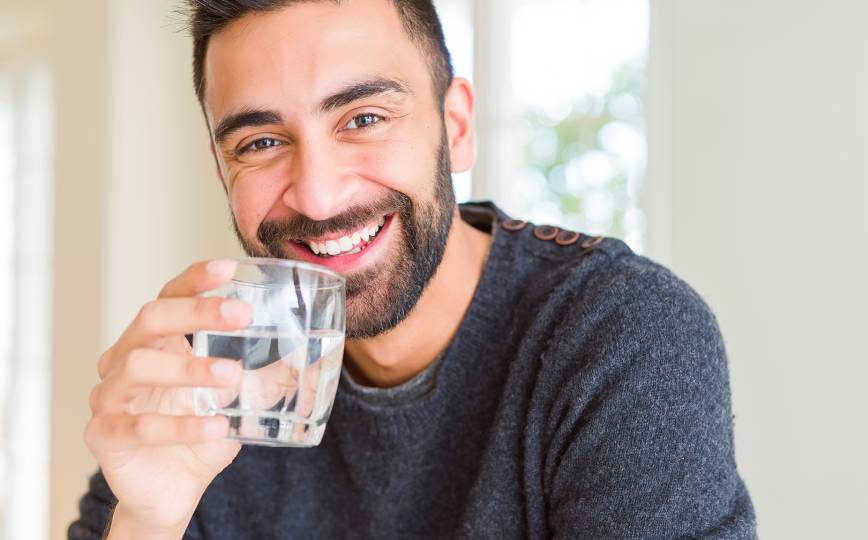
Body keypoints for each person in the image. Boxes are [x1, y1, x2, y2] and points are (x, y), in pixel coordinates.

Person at [69, 0, 757, 538]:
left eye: (364, 118)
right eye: (264, 141)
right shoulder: (203, 384)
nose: (318, 194)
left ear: (455, 128)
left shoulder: (618, 336)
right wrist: (148, 523)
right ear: (223, 170)